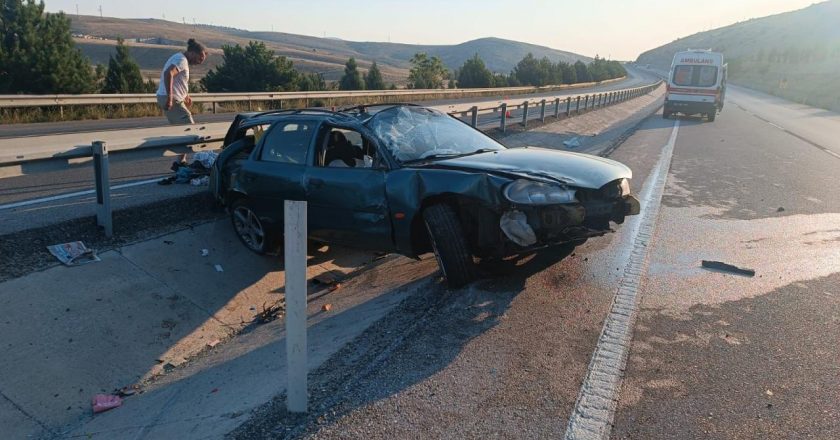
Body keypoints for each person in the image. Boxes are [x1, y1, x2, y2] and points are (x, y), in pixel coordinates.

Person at [156, 39, 207, 124]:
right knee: (188, 127)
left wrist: (185, 95)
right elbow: (168, 73)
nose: (198, 63)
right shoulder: (181, 60)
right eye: (199, 59)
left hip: (171, 97)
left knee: (179, 129)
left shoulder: (179, 58)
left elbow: (178, 81)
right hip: (171, 98)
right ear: (192, 53)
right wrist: (170, 98)